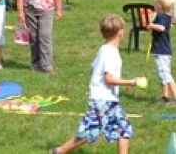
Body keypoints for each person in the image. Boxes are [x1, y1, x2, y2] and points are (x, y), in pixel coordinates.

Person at [50, 14, 136, 154]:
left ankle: (59, 151)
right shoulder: (110, 53)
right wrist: (131, 82)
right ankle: (59, 151)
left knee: (122, 127)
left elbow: (93, 69)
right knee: (93, 131)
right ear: (119, 32)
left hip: (104, 98)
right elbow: (109, 78)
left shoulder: (104, 49)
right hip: (103, 99)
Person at [148, 0, 176, 105]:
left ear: (159, 5)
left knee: (166, 76)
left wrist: (151, 25)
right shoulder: (167, 16)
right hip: (164, 51)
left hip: (161, 51)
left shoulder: (161, 16)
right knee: (162, 75)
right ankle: (165, 97)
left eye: (155, 3)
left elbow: (161, 28)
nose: (154, 5)